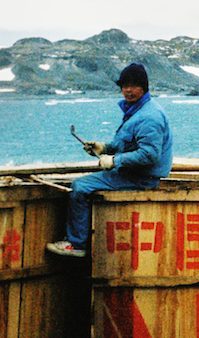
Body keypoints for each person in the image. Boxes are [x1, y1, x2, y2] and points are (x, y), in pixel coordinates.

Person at [47, 63, 173, 257]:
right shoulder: (138, 110)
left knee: (80, 186)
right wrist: (104, 147)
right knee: (86, 183)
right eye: (124, 86)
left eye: (133, 85)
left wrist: (114, 161)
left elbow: (150, 155)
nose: (128, 90)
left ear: (144, 87)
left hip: (140, 178)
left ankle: (77, 244)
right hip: (133, 174)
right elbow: (128, 143)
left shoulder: (149, 117)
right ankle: (78, 241)